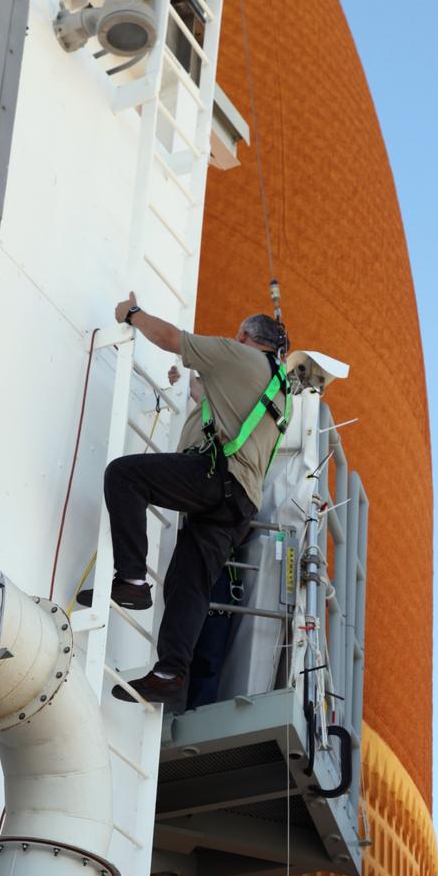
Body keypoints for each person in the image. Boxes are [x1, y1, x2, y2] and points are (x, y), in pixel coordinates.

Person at [79, 290, 290, 708]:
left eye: (237, 335)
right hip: (237, 503)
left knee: (125, 476)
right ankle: (170, 672)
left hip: (215, 478)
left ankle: (132, 581)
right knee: (187, 583)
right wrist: (188, 387)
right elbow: (216, 404)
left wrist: (133, 314)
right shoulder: (273, 385)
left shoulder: (238, 355)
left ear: (247, 336)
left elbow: (174, 339)